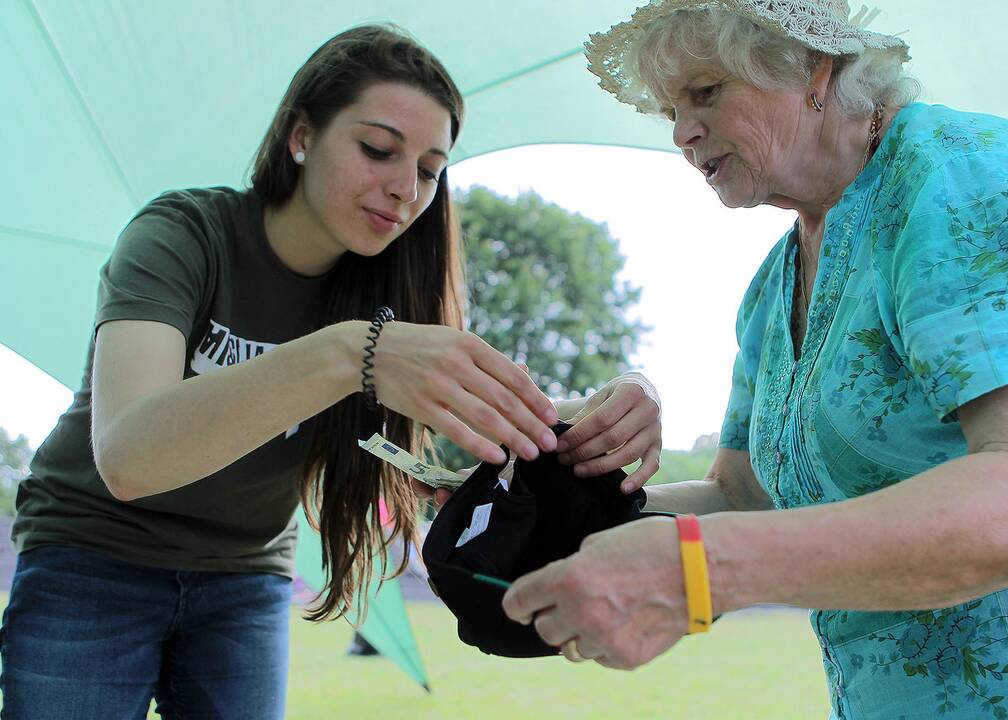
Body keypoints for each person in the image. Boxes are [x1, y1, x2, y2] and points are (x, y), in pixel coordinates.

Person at [0, 25, 662, 719]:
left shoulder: (391, 301)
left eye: (431, 170)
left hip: (243, 575)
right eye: (378, 149)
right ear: (300, 136)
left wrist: (628, 396)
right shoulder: (184, 235)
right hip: (90, 557)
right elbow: (129, 458)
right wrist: (350, 355)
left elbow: (502, 409)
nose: (406, 188)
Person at [502, 2, 1008, 718]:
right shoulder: (771, 287)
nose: (683, 132)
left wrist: (697, 574)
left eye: (706, 93)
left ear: (815, 69)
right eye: (670, 110)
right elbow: (747, 497)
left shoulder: (964, 177)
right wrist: (543, 500)